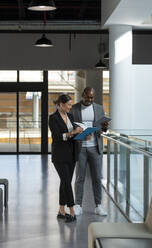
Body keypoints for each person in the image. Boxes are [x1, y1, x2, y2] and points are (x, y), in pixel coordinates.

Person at [70, 87, 108, 216]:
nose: (90, 100)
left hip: (95, 148)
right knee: (80, 177)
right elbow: (70, 128)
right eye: (87, 97)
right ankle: (78, 205)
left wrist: (104, 127)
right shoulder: (74, 108)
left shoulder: (99, 108)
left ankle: (98, 206)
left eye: (92, 97)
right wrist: (79, 132)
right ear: (82, 96)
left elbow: (102, 129)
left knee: (97, 177)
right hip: (80, 148)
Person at [49, 94, 83, 223]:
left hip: (71, 154)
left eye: (71, 104)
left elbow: (72, 136)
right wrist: (73, 132)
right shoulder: (53, 118)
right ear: (61, 104)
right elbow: (58, 137)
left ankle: (61, 210)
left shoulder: (70, 116)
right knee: (67, 182)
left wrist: (82, 134)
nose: (70, 107)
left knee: (65, 182)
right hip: (59, 155)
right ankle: (72, 210)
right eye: (68, 105)